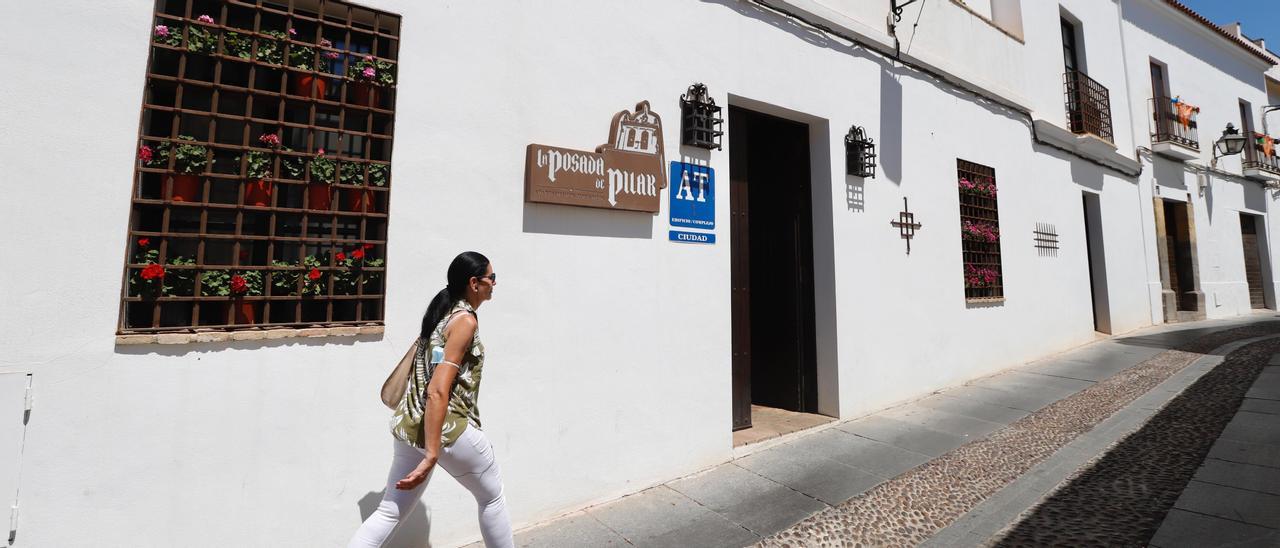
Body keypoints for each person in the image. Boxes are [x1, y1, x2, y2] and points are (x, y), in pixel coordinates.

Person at [349, 251, 513, 547]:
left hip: (411, 424)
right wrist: (432, 454)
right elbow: (438, 390)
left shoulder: (443, 313)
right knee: (492, 497)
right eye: (492, 278)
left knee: (389, 511)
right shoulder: (464, 321)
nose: (495, 284)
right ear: (474, 283)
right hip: (447, 429)